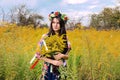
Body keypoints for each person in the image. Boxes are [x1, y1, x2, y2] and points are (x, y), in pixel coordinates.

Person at [36, 11, 71, 80]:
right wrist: (53, 62)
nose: (55, 25)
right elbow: (38, 55)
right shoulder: (45, 37)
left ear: (62, 25)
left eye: (58, 23)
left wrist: (62, 56)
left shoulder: (65, 38)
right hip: (48, 68)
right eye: (53, 22)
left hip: (62, 68)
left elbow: (67, 55)